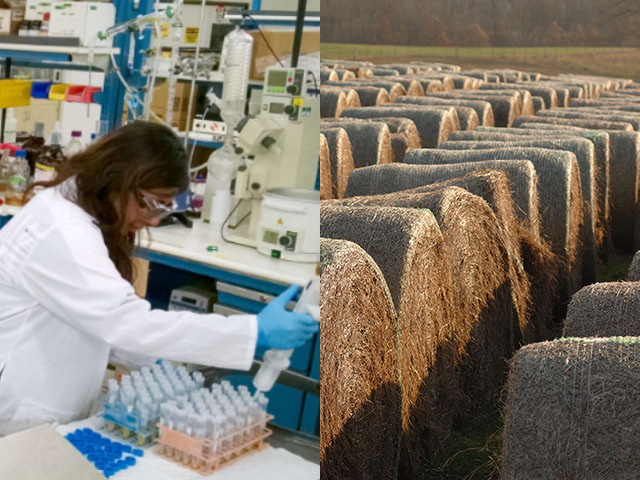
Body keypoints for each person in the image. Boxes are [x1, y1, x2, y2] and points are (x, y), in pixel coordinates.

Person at [0, 121, 318, 435]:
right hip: (21, 416)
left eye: (165, 209)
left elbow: (98, 321)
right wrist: (253, 330)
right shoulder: (63, 230)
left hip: (49, 401)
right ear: (117, 178)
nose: (153, 220)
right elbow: (124, 323)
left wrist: (161, 364)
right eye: (152, 204)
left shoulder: (82, 211)